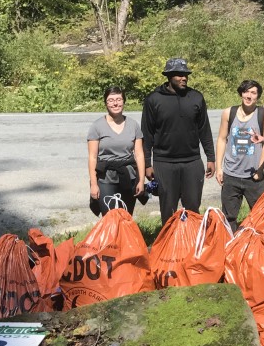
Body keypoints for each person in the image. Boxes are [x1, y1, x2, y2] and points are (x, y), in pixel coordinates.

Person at [142, 57, 215, 224]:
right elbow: (147, 134)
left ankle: (192, 245)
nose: (184, 78)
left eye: (186, 75)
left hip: (192, 162)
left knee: (193, 210)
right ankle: (169, 246)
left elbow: (204, 130)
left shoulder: (196, 97)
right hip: (164, 163)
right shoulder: (153, 99)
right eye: (179, 75)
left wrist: (211, 158)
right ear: (169, 76)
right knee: (168, 211)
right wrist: (147, 164)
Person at [216, 79, 264, 229]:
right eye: (246, 92)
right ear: (241, 93)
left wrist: (259, 170)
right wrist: (219, 168)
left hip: (254, 177)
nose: (249, 96)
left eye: (253, 93)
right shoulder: (229, 113)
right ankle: (228, 248)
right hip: (231, 174)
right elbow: (221, 139)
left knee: (261, 217)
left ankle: (259, 249)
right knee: (229, 218)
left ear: (258, 97)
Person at [87, 85, 145, 215]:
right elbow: (92, 157)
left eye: (118, 99)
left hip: (128, 175)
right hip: (105, 177)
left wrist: (141, 180)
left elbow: (140, 155)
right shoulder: (97, 126)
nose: (115, 103)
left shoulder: (133, 125)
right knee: (110, 216)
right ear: (106, 103)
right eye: (111, 100)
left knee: (126, 215)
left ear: (124, 101)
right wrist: (93, 184)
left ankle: (124, 236)